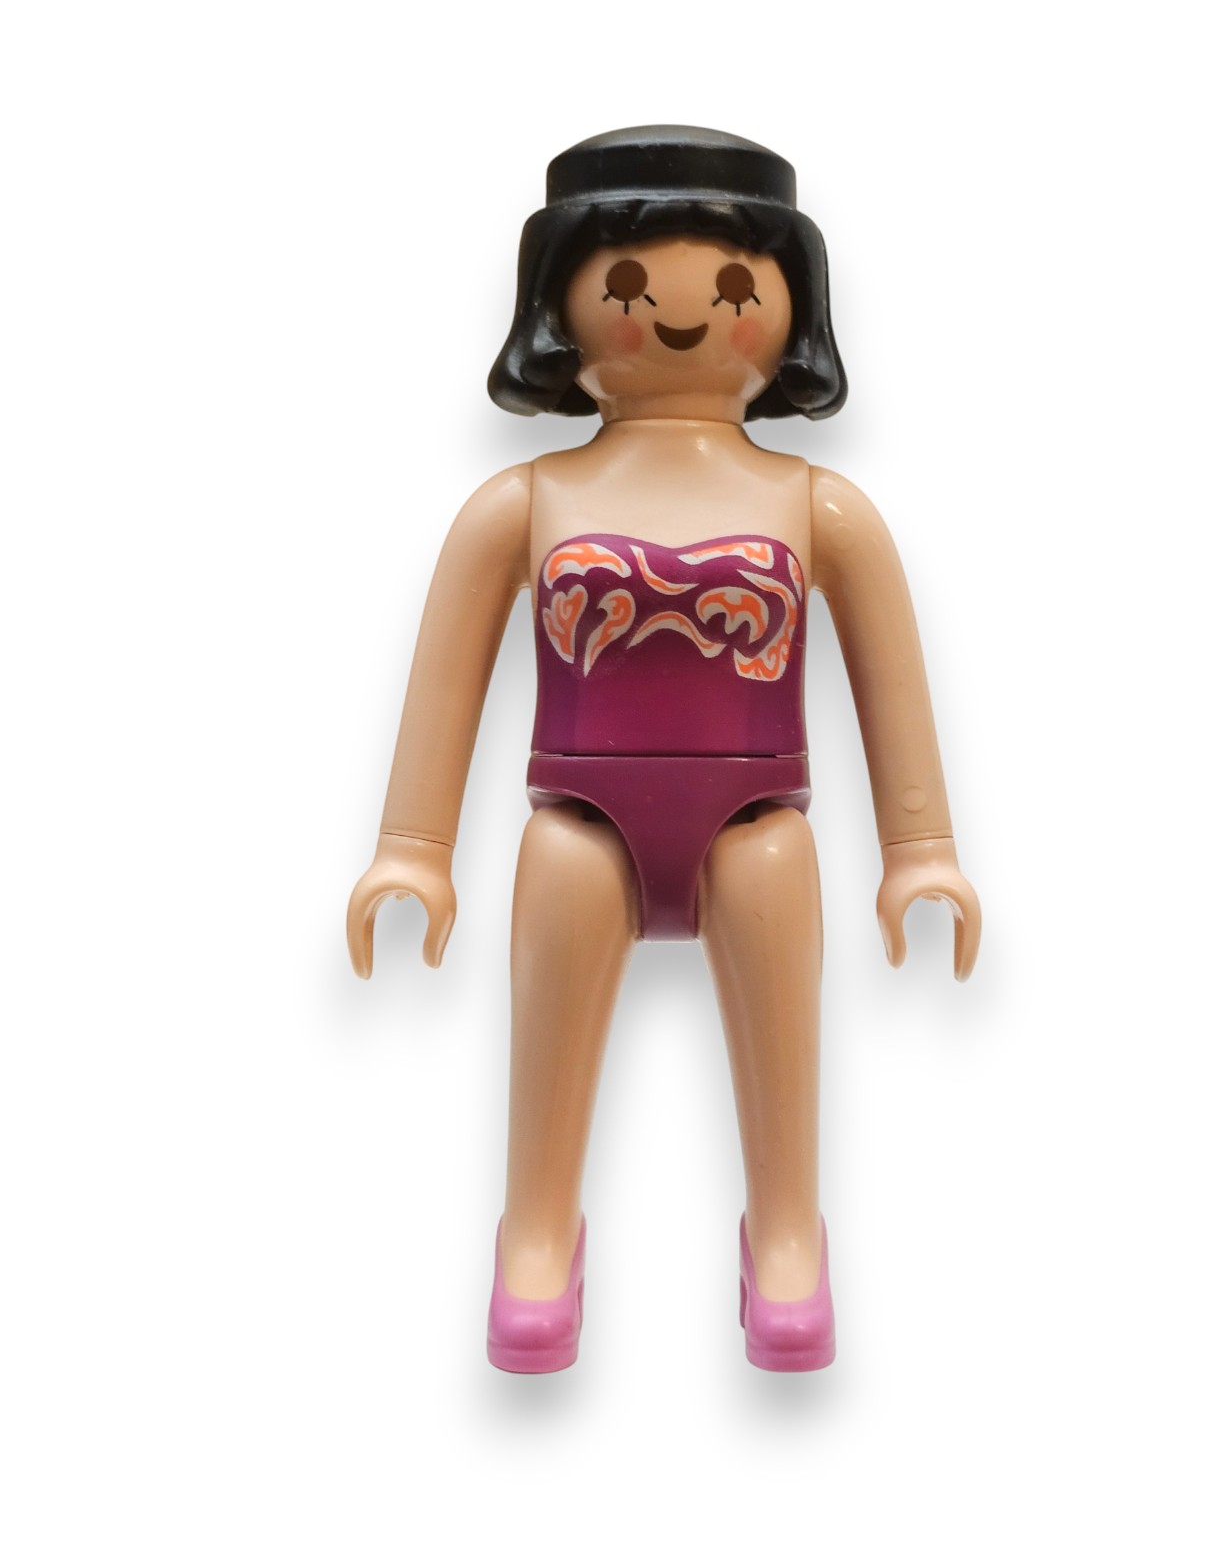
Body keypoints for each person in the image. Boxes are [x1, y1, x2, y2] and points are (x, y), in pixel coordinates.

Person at [346, 126, 981, 1373]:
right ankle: (537, 1232)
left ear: (789, 308)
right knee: (559, 940)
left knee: (775, 949)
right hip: (578, 818)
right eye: (628, 282)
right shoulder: (524, 504)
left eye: (737, 283)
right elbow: (445, 681)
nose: (684, 312)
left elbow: (891, 684)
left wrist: (922, 852)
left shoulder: (820, 508)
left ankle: (786, 1234)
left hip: (757, 820)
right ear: (561, 305)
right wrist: (410, 849)